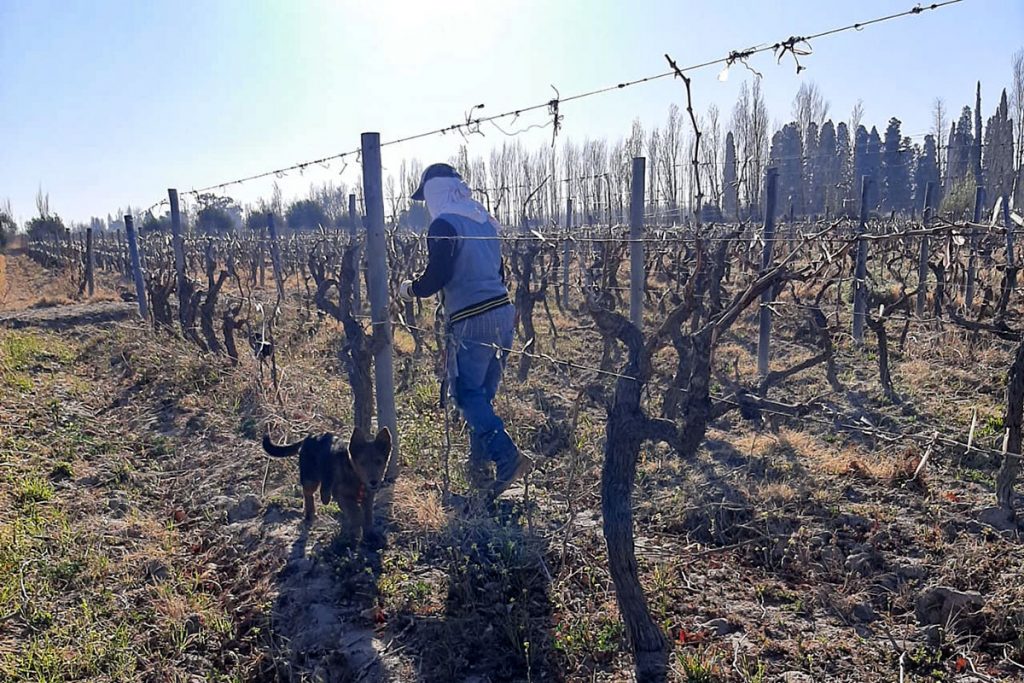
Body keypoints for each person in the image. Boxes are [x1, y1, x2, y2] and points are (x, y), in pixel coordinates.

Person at [399, 163, 532, 497]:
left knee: (466, 394)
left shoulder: (444, 224)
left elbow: (437, 278)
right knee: (483, 393)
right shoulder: (484, 220)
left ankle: (506, 457)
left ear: (434, 193)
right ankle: (479, 465)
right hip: (503, 313)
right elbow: (500, 271)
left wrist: (410, 289)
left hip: (473, 317)